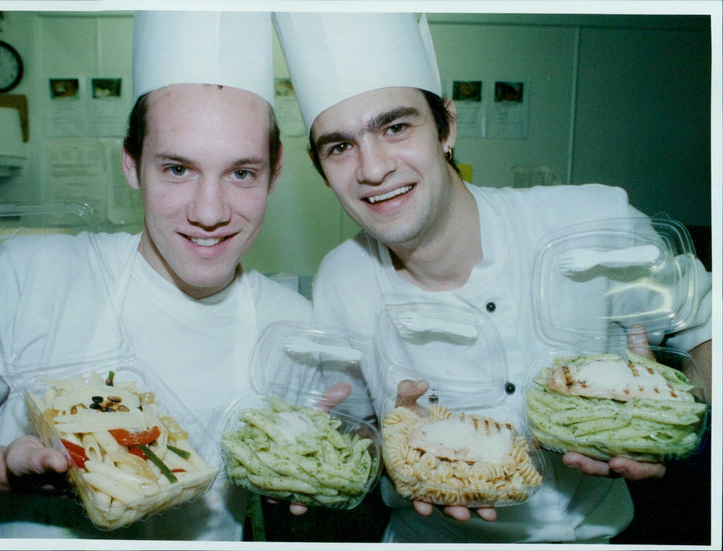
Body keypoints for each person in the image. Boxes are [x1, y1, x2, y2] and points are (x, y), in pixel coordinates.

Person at [274, 11, 713, 543]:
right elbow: (356, 434)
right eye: (340, 146)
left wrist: (668, 413)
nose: (372, 168)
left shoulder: (587, 223)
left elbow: (706, 327)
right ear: (323, 170)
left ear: (448, 128)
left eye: (395, 127)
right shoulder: (342, 279)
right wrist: (358, 451)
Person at [0, 11, 312, 540]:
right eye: (177, 169)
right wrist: (2, 469)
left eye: (241, 172)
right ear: (132, 165)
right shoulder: (32, 275)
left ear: (275, 173)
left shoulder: (294, 327)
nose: (209, 211)